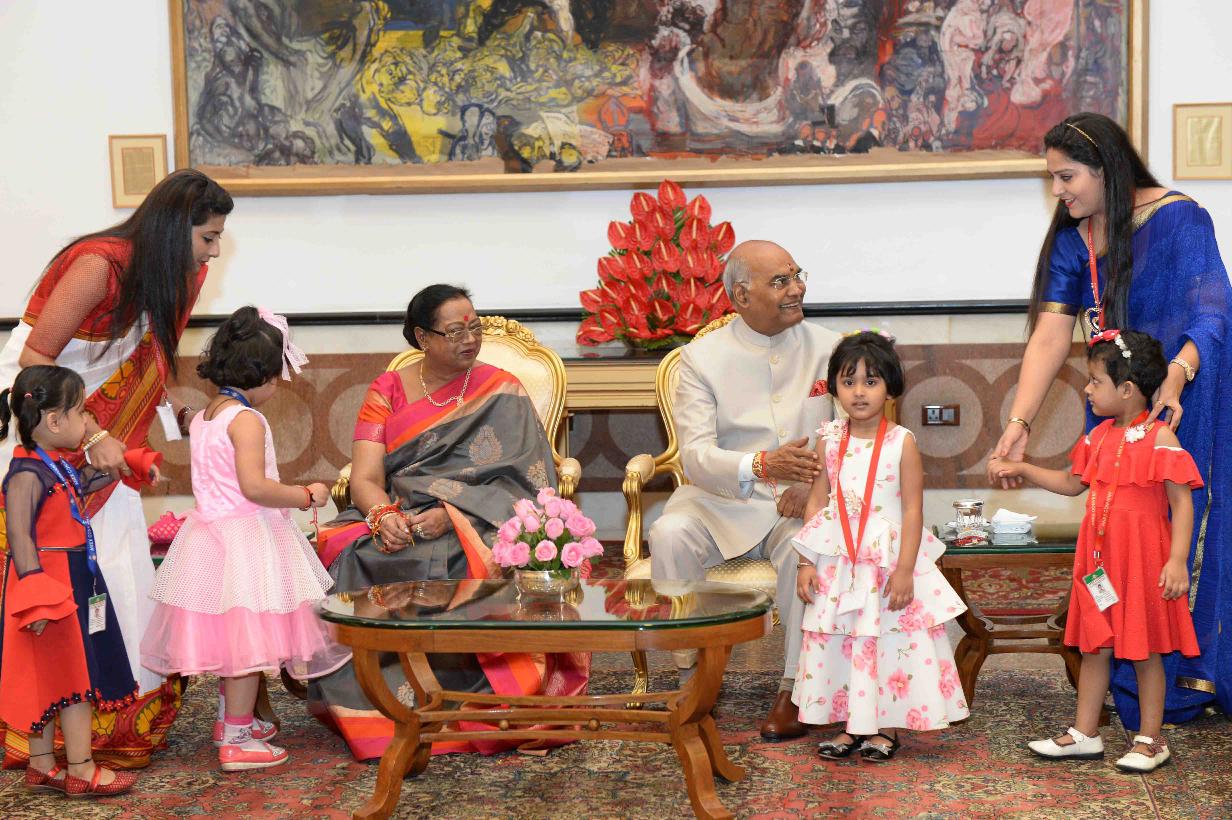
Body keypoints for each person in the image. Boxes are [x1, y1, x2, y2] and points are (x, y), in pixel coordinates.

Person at [988, 112, 1231, 727]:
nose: (1057, 191)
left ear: (1106, 169)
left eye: (1067, 176)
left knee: (1187, 528)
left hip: (1185, 396)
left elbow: (1212, 310)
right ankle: (1134, 678)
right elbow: (1050, 336)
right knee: (1122, 537)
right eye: (1051, 178)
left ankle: (1190, 680)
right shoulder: (1073, 240)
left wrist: (1176, 373)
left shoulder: (1179, 219)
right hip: (1115, 407)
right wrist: (1020, 421)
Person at [0, 168, 234, 767]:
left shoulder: (179, 272)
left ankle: (113, 722)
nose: (213, 251)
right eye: (208, 236)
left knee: (115, 565)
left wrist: (174, 407)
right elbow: (35, 358)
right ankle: (44, 730)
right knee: (56, 565)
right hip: (42, 417)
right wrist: (94, 432)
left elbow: (148, 355)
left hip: (98, 426)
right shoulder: (99, 266)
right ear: (174, 228)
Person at [309, 284, 588, 761]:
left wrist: (454, 513)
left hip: (481, 518)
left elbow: (529, 482)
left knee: (463, 556)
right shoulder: (387, 389)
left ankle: (474, 701)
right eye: (455, 331)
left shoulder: (502, 389)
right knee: (351, 552)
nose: (470, 339)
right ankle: (376, 705)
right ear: (423, 337)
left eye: (475, 328)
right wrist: (382, 515)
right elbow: (366, 478)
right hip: (400, 510)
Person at [649, 240, 841, 741]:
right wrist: (760, 464)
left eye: (797, 275)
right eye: (780, 281)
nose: (797, 288)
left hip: (798, 502)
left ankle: (796, 687)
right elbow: (694, 456)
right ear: (740, 296)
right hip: (721, 501)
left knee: (810, 546)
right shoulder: (699, 359)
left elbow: (853, 431)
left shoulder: (832, 349)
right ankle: (693, 675)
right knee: (669, 532)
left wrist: (814, 483)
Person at [140, 307, 347, 771]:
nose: (278, 385)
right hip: (246, 538)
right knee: (247, 647)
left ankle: (229, 721)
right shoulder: (247, 420)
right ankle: (236, 740)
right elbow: (254, 487)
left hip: (210, 536)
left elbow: (195, 434)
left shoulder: (208, 415)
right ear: (262, 374)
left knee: (232, 638)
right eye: (277, 375)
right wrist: (305, 495)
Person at [990, 330, 1202, 772]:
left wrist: (1177, 560)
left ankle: (1151, 740)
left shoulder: (1161, 438)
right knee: (1094, 647)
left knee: (1144, 651)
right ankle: (1085, 733)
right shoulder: (1097, 437)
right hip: (1099, 563)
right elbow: (1073, 484)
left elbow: (1182, 504)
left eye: (1094, 381)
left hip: (1142, 562)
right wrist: (1023, 467)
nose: (1087, 389)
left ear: (1126, 390)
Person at [792, 332, 969, 761]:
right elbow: (817, 500)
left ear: (890, 387)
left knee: (887, 640)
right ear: (834, 388)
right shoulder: (828, 439)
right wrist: (805, 561)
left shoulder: (901, 441)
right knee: (844, 639)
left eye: (870, 382)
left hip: (886, 562)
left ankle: (884, 727)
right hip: (839, 560)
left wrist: (905, 569)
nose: (859, 392)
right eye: (848, 381)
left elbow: (912, 509)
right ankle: (850, 724)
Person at [0, 367, 162, 796]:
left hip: (69, 579)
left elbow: (89, 482)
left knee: (53, 677)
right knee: (72, 681)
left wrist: (129, 463)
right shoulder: (26, 474)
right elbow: (19, 537)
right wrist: (36, 599)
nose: (87, 421)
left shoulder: (53, 466)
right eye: (80, 412)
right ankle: (81, 768)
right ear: (55, 421)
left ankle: (41, 764)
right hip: (48, 588)